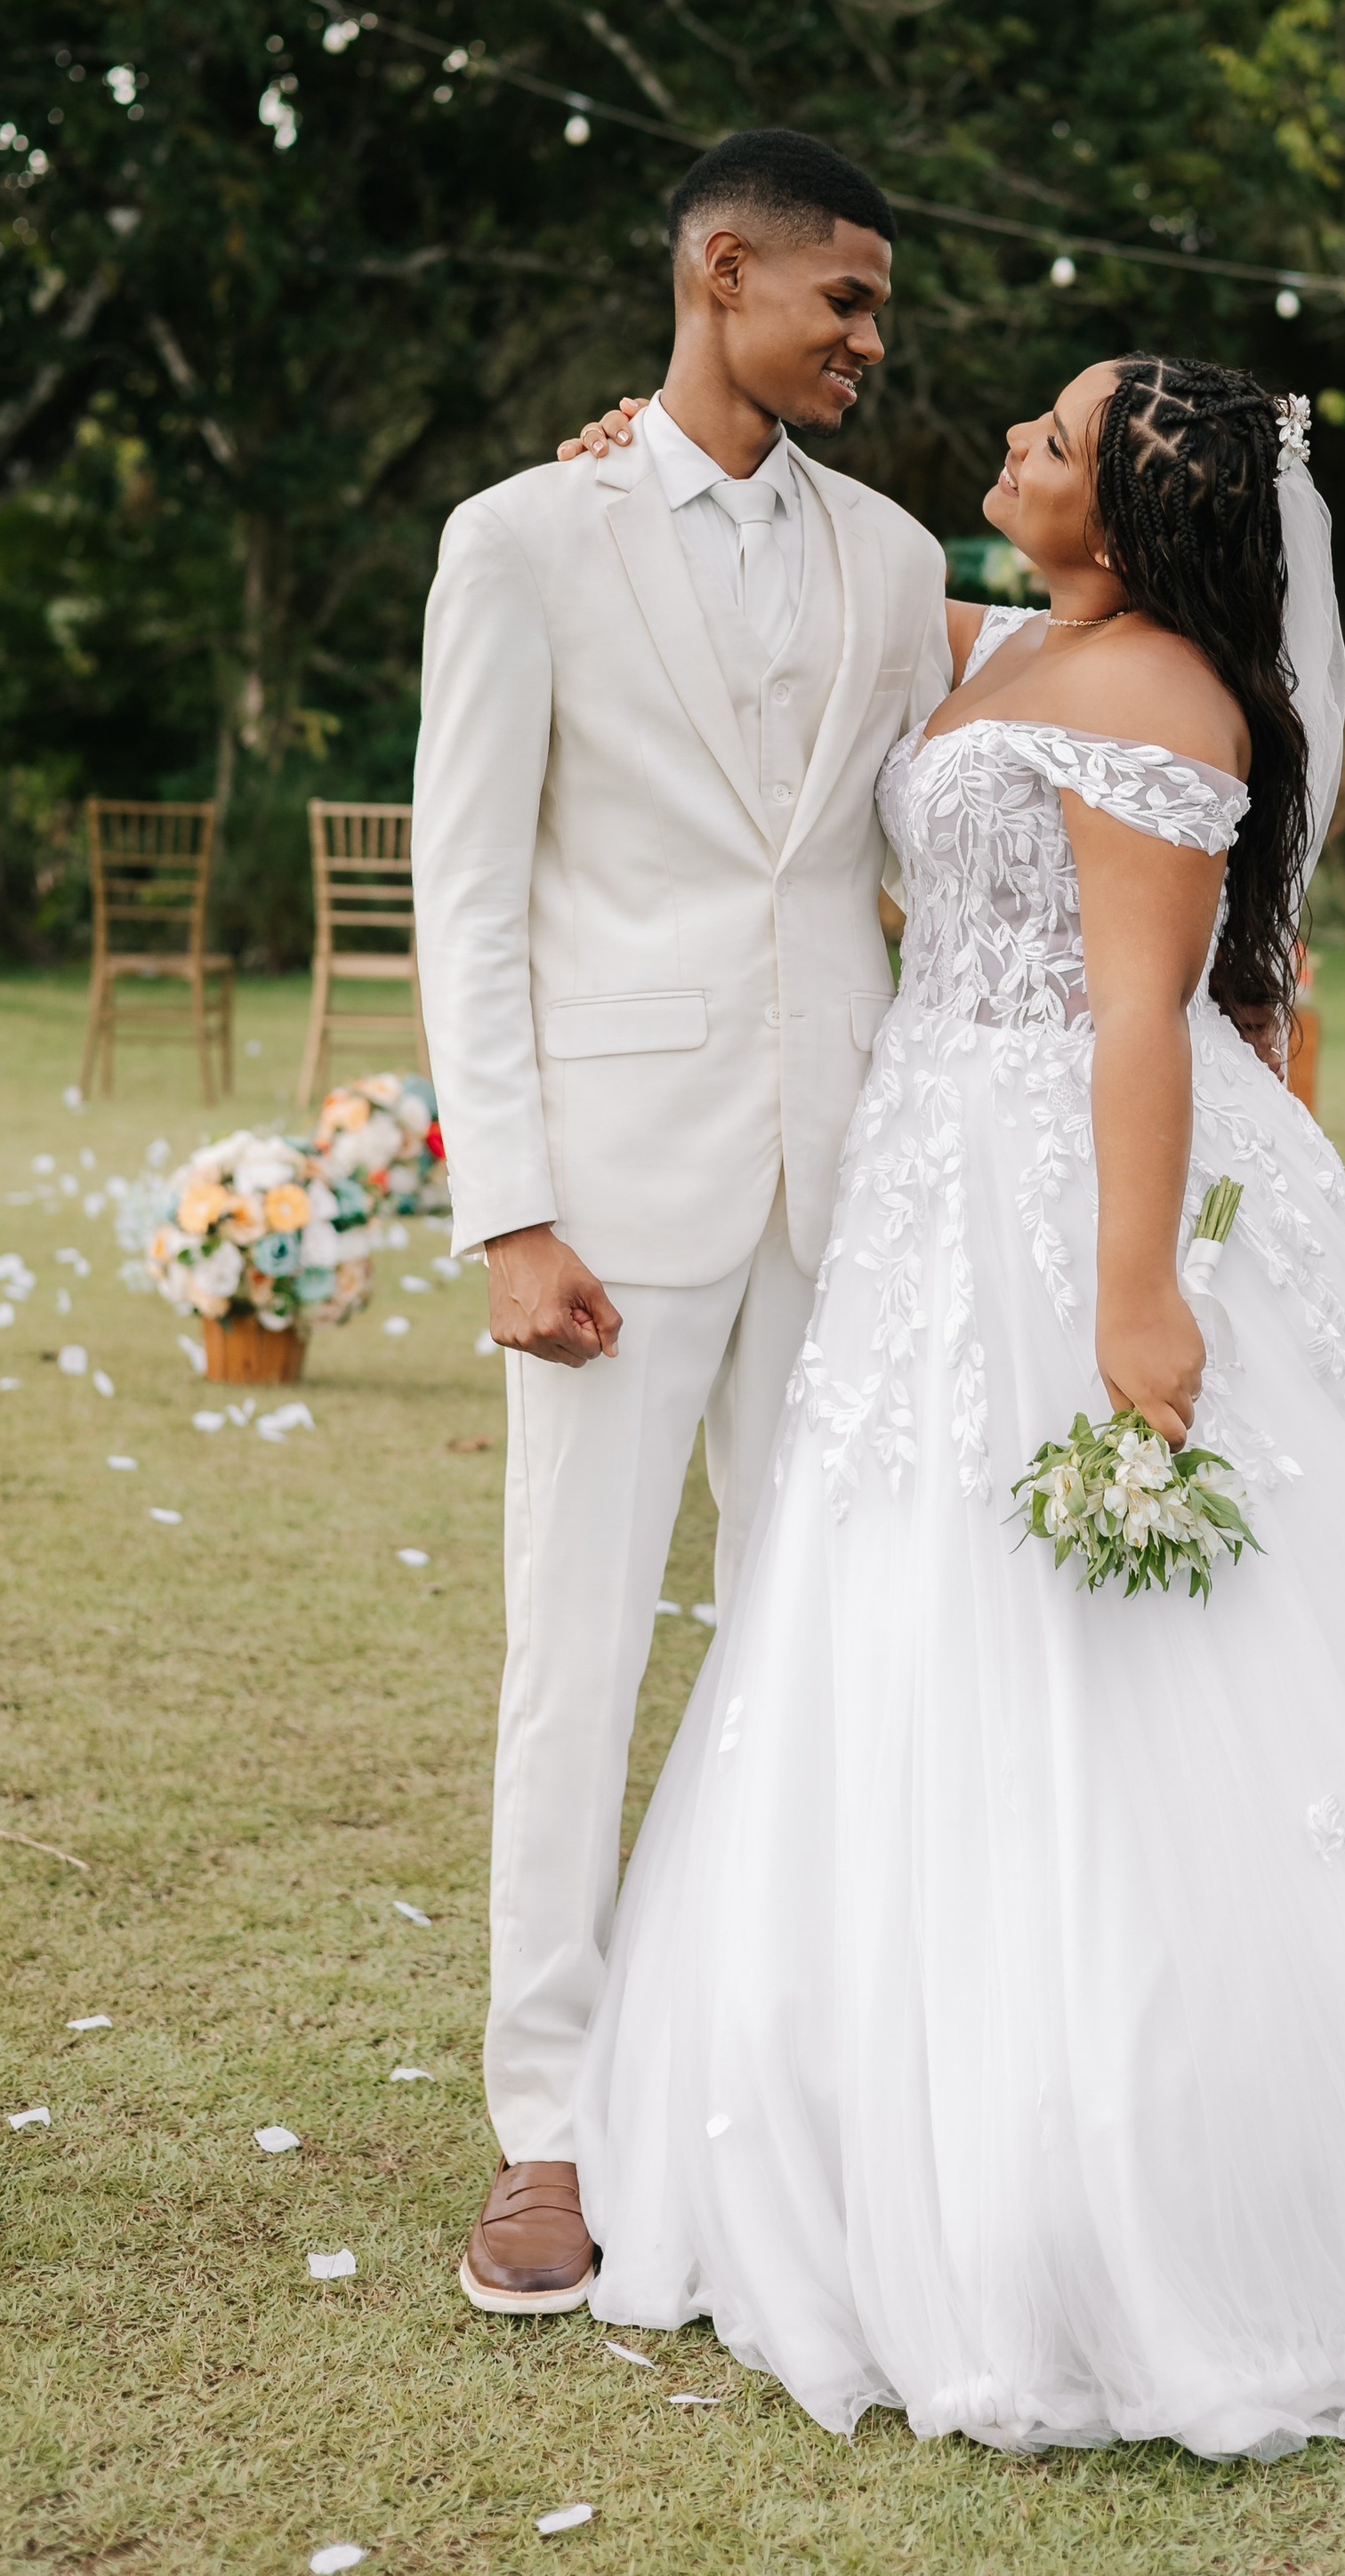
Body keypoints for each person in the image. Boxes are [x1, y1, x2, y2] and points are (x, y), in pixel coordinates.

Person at [560, 353, 1345, 2458]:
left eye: (1053, 441)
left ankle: (1165, 2154)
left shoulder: (1163, 699)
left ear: (1134, 516)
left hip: (1075, 1187)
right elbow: (804, 591)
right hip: (928, 1177)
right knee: (884, 1602)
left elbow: (1145, 1026)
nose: (1007, 445)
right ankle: (864, 2093)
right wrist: (634, 459)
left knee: (1115, 1639)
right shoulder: (1012, 641)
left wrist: (1132, 1297)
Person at [410, 129, 952, 2318]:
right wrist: (506, 1209)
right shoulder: (521, 537)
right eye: (843, 301)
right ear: (719, 270)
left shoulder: (905, 557)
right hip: (613, 1202)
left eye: (881, 314)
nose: (868, 344)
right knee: (579, 1645)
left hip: (849, 1174)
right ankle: (549, 2119)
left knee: (828, 1638)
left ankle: (787, 2072)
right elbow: (470, 886)